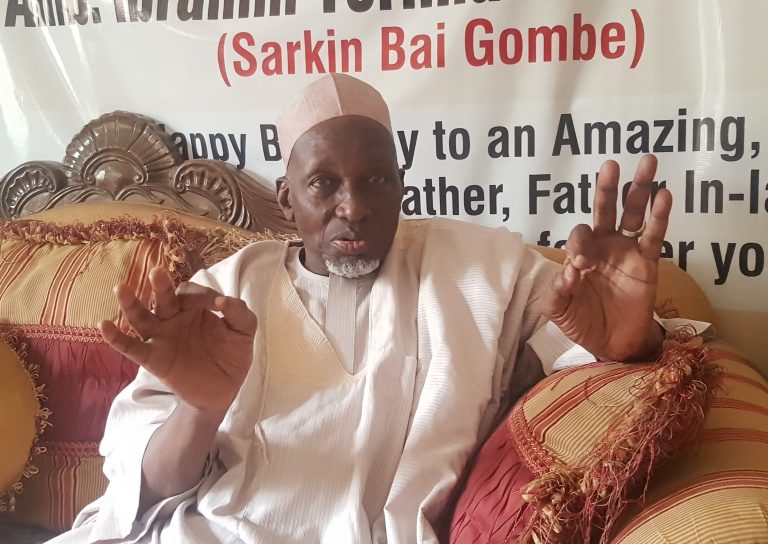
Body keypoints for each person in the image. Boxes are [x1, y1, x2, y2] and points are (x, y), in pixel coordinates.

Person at [48, 74, 704, 544]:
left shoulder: (481, 268)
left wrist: (631, 340)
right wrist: (200, 408)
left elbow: (590, 342)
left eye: (377, 180)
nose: (354, 207)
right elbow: (145, 491)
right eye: (324, 183)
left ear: (401, 186)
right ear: (286, 198)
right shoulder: (222, 292)